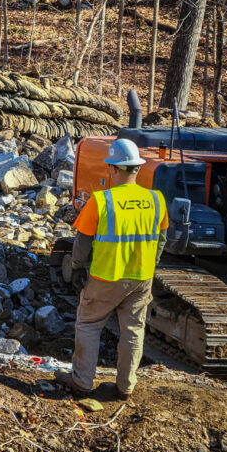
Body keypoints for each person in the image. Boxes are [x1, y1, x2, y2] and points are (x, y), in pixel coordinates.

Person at [55, 138, 168, 401]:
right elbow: (161, 238)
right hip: (141, 277)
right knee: (133, 330)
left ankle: (82, 381)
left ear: (114, 169)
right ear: (137, 169)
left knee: (89, 324)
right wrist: (151, 265)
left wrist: (76, 267)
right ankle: (125, 386)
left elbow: (81, 243)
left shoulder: (101, 201)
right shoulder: (156, 199)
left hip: (106, 276)